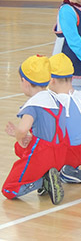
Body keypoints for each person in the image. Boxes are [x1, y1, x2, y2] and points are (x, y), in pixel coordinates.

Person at [2, 55, 65, 204]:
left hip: (43, 153)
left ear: (25, 81)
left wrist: (18, 134)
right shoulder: (54, 98)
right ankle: (47, 173)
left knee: (8, 190)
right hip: (61, 153)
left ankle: (43, 181)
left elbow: (23, 129)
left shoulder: (33, 105)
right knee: (19, 147)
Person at [48, 53, 81, 184]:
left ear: (51, 80)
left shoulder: (55, 102)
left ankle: (53, 173)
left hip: (67, 153)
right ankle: (70, 170)